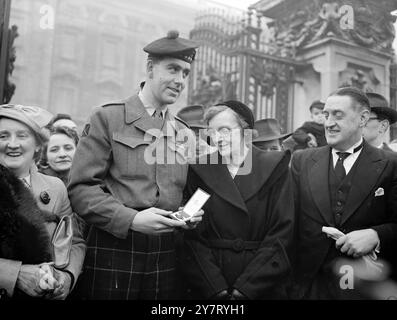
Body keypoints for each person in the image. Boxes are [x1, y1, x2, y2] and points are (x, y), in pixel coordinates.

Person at [68, 30, 203, 300]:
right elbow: (81, 189)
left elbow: (181, 190)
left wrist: (186, 215)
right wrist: (131, 219)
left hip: (165, 254)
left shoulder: (182, 132)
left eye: (186, 73)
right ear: (150, 69)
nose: (180, 81)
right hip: (114, 249)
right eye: (173, 69)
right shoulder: (108, 117)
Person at [180, 101, 295, 299]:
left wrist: (246, 289)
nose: (217, 139)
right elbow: (191, 236)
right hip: (211, 286)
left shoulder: (275, 167)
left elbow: (282, 233)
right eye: (212, 132)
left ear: (246, 132)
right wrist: (216, 288)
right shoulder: (199, 170)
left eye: (224, 130)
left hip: (261, 285)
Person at [291, 87, 397, 299]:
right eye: (326, 115)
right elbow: (286, 222)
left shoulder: (390, 164)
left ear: (363, 118)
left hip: (364, 287)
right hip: (309, 286)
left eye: (338, 115)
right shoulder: (302, 161)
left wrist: (377, 235)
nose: (328, 123)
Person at [0, 104, 86, 300]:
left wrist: (66, 277)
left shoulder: (56, 188)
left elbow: (74, 241)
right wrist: (15, 275)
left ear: (38, 144)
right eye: (3, 136)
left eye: (22, 136)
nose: (12, 144)